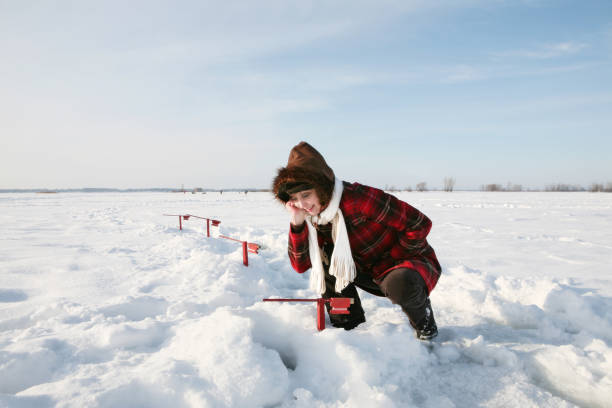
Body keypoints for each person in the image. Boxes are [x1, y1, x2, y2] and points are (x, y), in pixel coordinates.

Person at [272, 142, 441, 339]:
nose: (302, 204)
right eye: (295, 198)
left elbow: (419, 223)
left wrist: (391, 259)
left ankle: (425, 325)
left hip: (402, 263)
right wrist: (297, 222)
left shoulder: (358, 199)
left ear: (322, 187)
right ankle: (349, 330)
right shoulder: (311, 218)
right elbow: (301, 265)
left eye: (306, 194)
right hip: (363, 269)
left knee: (399, 283)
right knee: (325, 257)